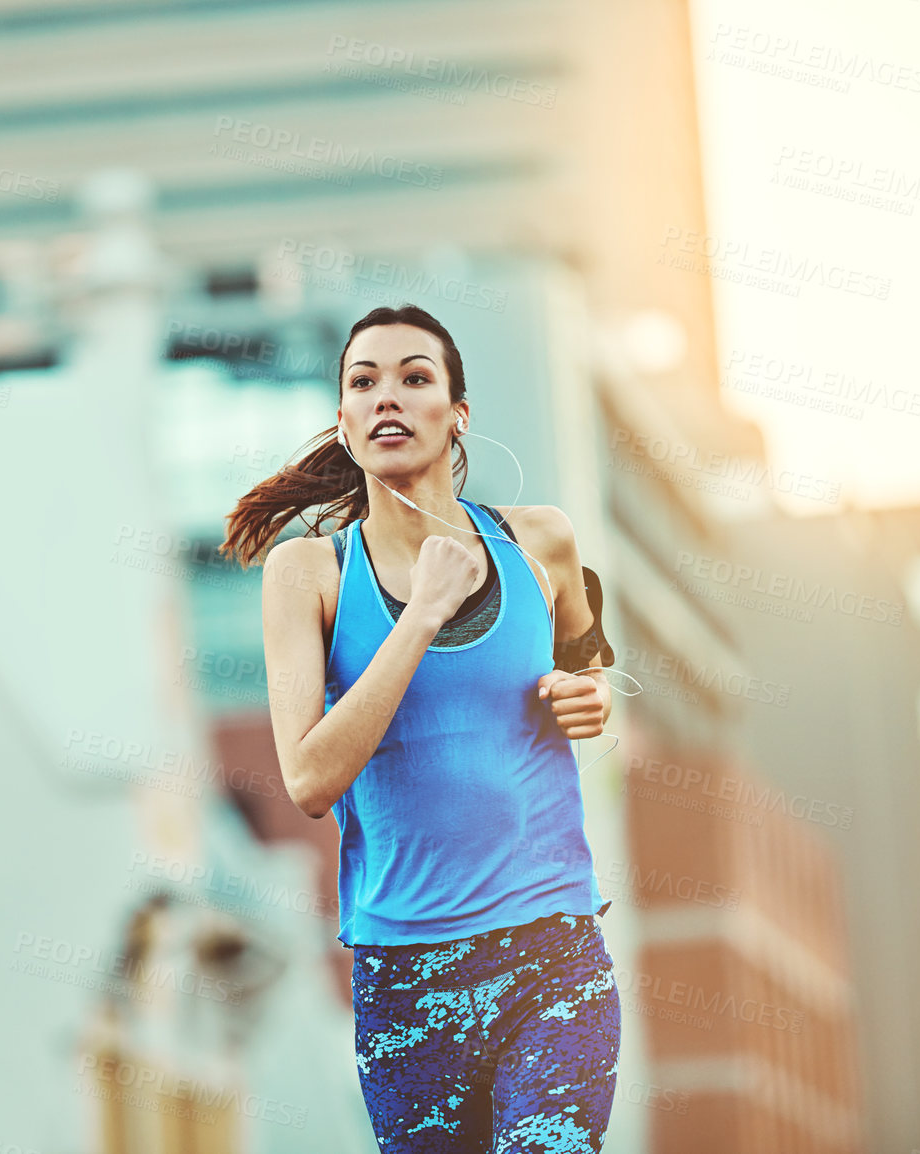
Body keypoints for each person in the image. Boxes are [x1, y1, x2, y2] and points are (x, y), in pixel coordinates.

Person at [219, 304, 623, 1152]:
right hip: (408, 978)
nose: (387, 397)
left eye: (414, 377)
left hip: (551, 950)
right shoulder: (311, 574)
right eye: (363, 383)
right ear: (344, 422)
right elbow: (308, 781)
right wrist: (422, 615)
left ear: (457, 412)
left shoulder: (537, 540)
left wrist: (592, 691)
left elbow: (584, 654)